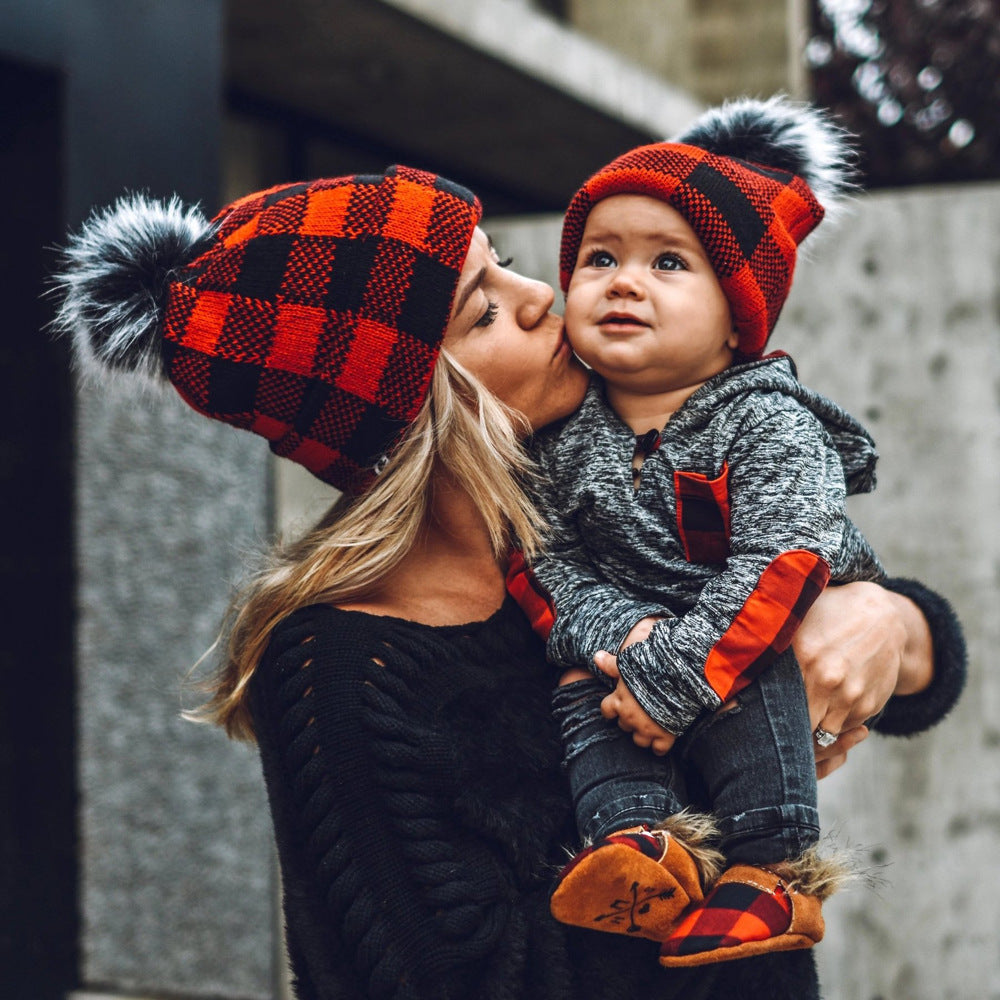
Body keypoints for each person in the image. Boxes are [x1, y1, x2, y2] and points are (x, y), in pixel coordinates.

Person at [52, 163, 965, 999]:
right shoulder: (343, 667)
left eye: (511, 265)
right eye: (481, 313)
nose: (542, 299)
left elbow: (921, 667)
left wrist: (884, 622)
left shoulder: (595, 510)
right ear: (403, 412)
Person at [528, 97, 963, 967]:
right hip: (640, 652)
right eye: (599, 257)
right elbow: (544, 561)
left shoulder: (766, 422)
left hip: (758, 631)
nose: (622, 280)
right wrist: (627, 642)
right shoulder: (561, 439)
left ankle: (774, 873)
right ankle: (641, 848)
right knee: (584, 678)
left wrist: (678, 672)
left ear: (737, 318)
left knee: (760, 660)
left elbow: (785, 558)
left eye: (668, 263)